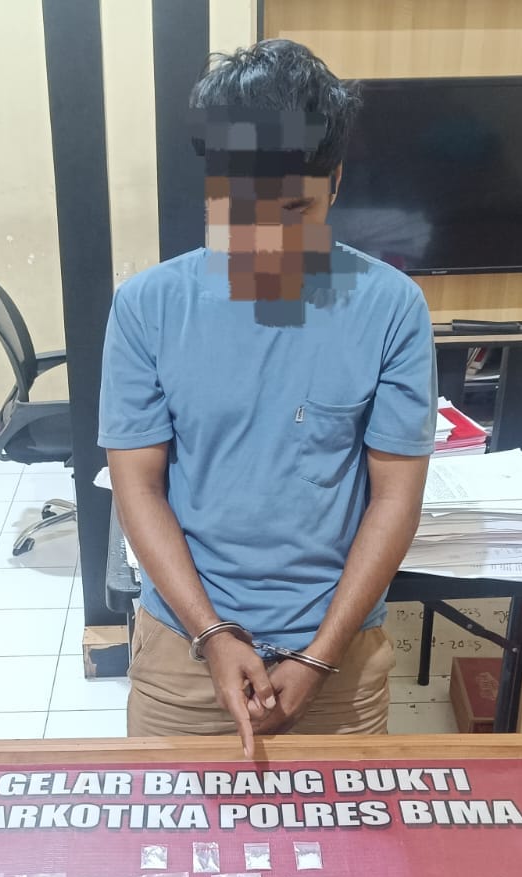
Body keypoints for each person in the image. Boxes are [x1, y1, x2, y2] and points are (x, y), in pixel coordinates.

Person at [99, 38, 435, 756]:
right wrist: (214, 635)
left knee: (344, 833)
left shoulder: (392, 308)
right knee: (172, 830)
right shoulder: (147, 307)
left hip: (338, 660)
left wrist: (318, 658)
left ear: (335, 181)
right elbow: (138, 488)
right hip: (184, 655)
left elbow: (395, 498)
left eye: (294, 208)